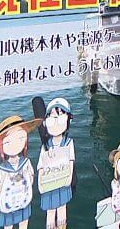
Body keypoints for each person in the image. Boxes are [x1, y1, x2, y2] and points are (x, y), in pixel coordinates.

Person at [0, 115, 42, 229]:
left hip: (20, 201)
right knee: (10, 225)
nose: (15, 144)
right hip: (12, 202)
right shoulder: (3, 169)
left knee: (22, 223)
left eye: (20, 138)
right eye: (8, 142)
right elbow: (31, 178)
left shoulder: (25, 163)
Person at [37, 98, 75, 229]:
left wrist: (69, 178)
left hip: (63, 181)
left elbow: (71, 161)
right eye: (52, 118)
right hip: (49, 183)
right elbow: (41, 165)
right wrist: (40, 183)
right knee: (50, 212)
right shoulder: (45, 146)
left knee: (62, 210)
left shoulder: (68, 143)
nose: (56, 123)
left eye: (60, 118)